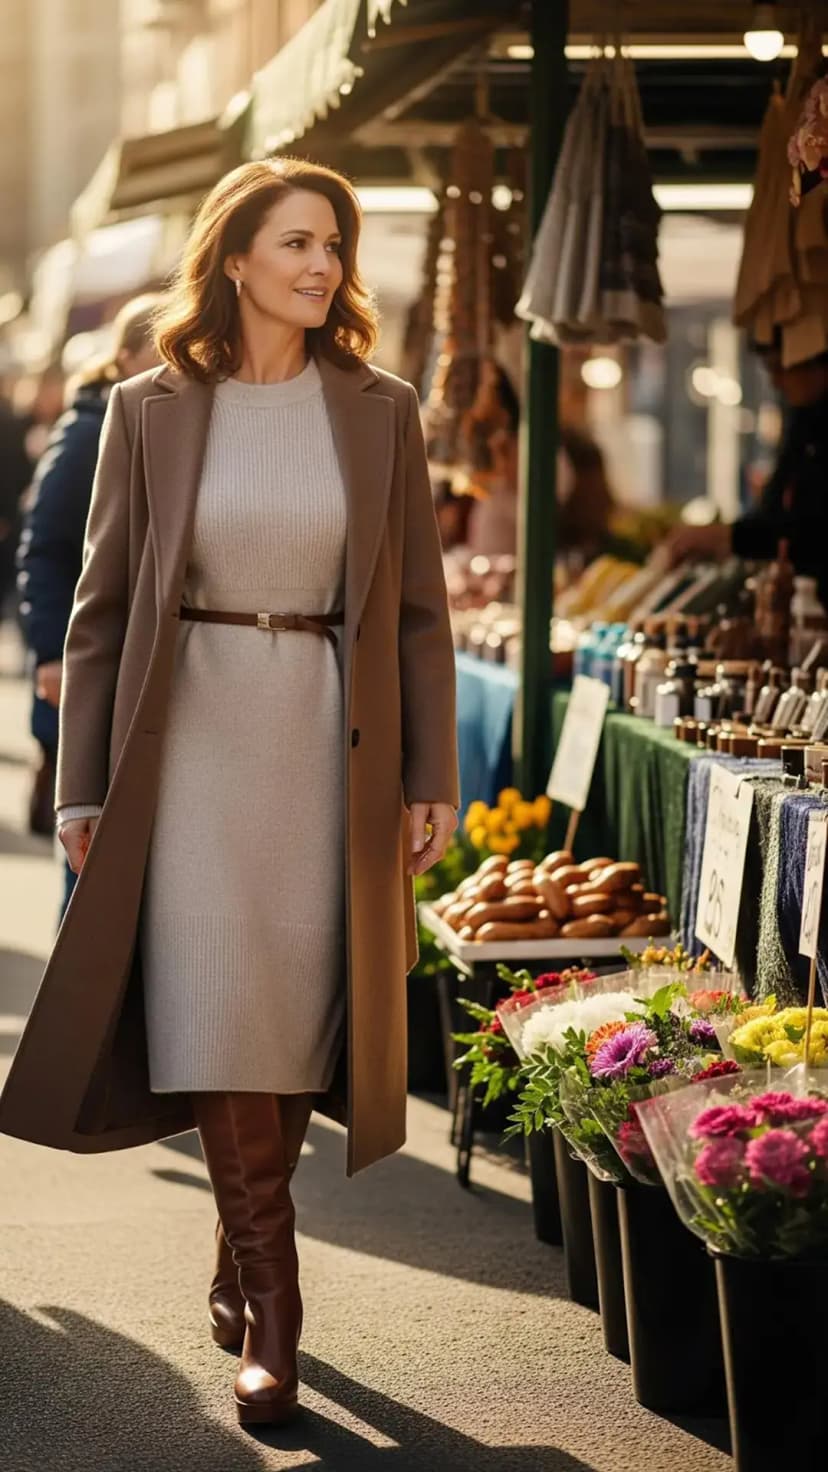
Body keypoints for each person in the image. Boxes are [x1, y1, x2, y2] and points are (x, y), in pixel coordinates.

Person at [0, 158, 459, 1428]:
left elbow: (421, 613)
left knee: (291, 1011)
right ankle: (280, 1307)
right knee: (210, 997)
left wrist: (431, 772)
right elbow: (96, 616)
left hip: (324, 738)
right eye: (298, 242)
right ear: (238, 258)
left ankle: (238, 1243)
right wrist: (78, 785)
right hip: (183, 744)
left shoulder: (382, 408)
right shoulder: (149, 406)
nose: (322, 266)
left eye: (334, 245)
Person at [17, 295, 161, 893]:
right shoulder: (89, 433)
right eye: (157, 353)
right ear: (124, 357)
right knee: (89, 850)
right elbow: (44, 548)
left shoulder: (153, 424)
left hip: (122, 663)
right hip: (87, 662)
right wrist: (50, 651)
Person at [666, 341, 828, 607]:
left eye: (780, 368)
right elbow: (775, 513)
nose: (776, 382)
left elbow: (809, 530)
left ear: (818, 365)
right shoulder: (804, 424)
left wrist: (729, 536)